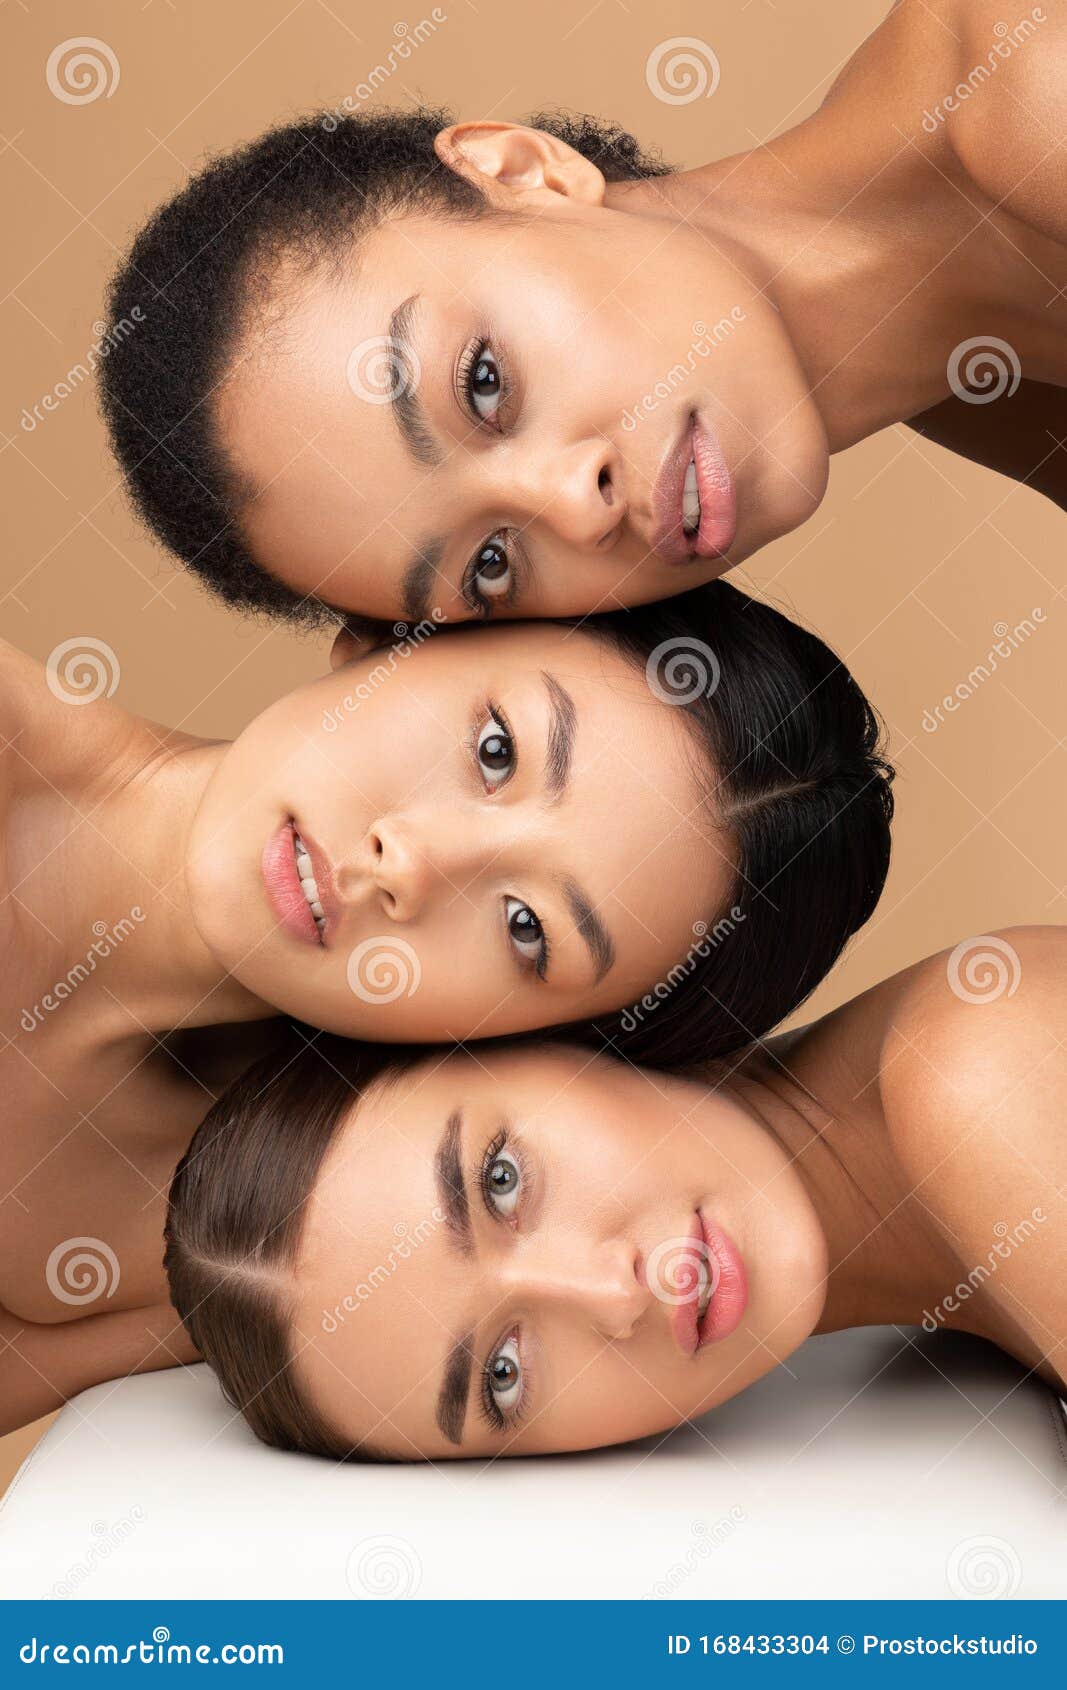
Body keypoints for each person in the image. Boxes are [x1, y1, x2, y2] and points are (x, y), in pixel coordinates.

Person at [0, 583, 893, 1435]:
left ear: (537, 1045)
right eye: (495, 750)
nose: (411, 866)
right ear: (400, 631)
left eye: (525, 928)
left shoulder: (294, 1233)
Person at [99, 0, 1066, 642]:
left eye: (483, 383)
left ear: (524, 171)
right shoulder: (979, 391)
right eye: (489, 563)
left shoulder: (1033, 87)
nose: (574, 505)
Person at [166, 926, 1067, 1462]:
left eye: (501, 1181)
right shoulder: (948, 1231)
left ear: (539, 1032)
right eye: (503, 1376)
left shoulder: (981, 1074)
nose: (611, 1293)